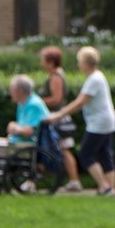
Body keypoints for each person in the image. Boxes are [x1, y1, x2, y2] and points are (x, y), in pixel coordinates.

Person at [44, 47, 115, 196]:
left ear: (85, 63)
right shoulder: (98, 76)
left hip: (99, 123)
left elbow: (79, 103)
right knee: (105, 154)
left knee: (85, 153)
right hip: (107, 121)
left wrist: (58, 115)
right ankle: (111, 189)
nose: (78, 65)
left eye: (79, 62)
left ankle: (105, 186)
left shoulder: (94, 79)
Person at [37, 46, 82, 192]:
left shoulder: (56, 77)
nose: (41, 63)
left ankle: (74, 181)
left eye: (43, 60)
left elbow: (57, 99)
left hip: (57, 120)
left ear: (51, 62)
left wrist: (38, 101)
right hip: (55, 118)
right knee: (61, 149)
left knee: (64, 149)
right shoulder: (55, 75)